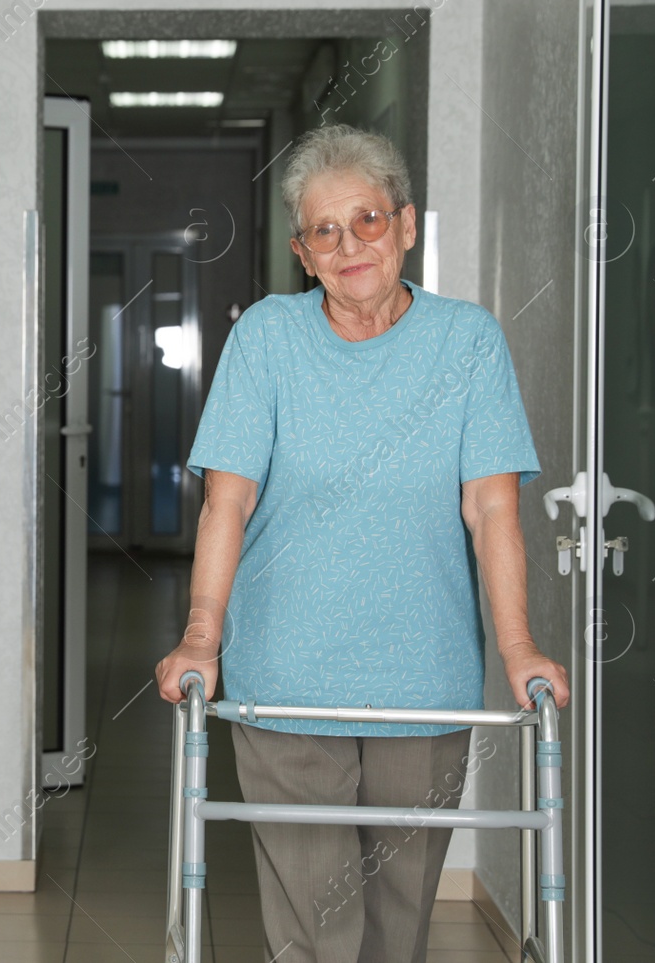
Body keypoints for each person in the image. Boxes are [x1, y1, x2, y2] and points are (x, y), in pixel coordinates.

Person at [153, 124, 570, 963]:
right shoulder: (267, 338)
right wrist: (203, 633)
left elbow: (492, 510)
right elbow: (225, 504)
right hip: (287, 680)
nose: (349, 247)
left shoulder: (468, 342)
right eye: (324, 231)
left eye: (368, 221)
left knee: (397, 925)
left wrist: (520, 646)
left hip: (425, 686)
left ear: (407, 226)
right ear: (303, 253)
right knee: (319, 931)